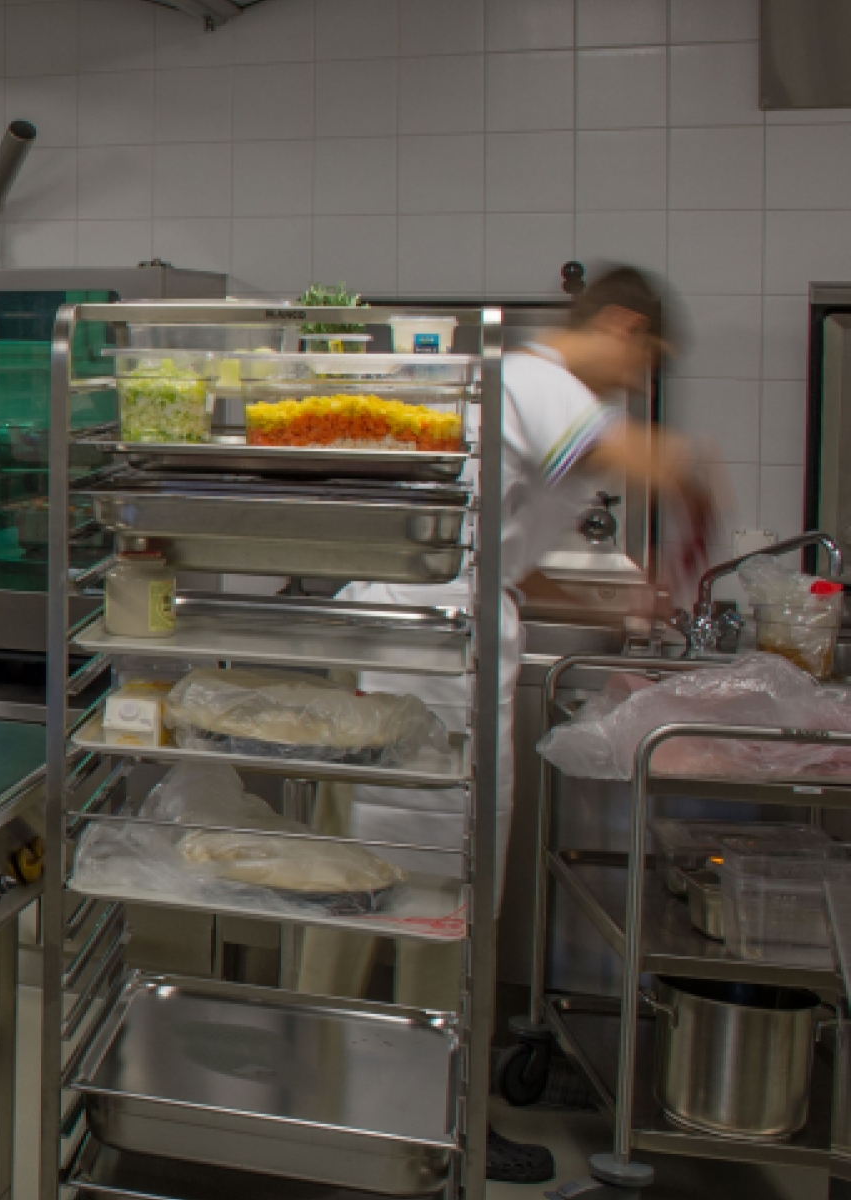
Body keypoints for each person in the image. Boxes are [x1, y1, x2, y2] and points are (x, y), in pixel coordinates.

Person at [295, 267, 717, 1183]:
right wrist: (700, 502)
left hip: (402, 647)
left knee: (353, 883)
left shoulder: (528, 401)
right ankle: (432, 1120)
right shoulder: (539, 382)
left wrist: (618, 603)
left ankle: (339, 1092)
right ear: (621, 325)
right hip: (426, 667)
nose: (637, 383)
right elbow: (667, 465)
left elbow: (505, 558)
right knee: (432, 891)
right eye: (646, 360)